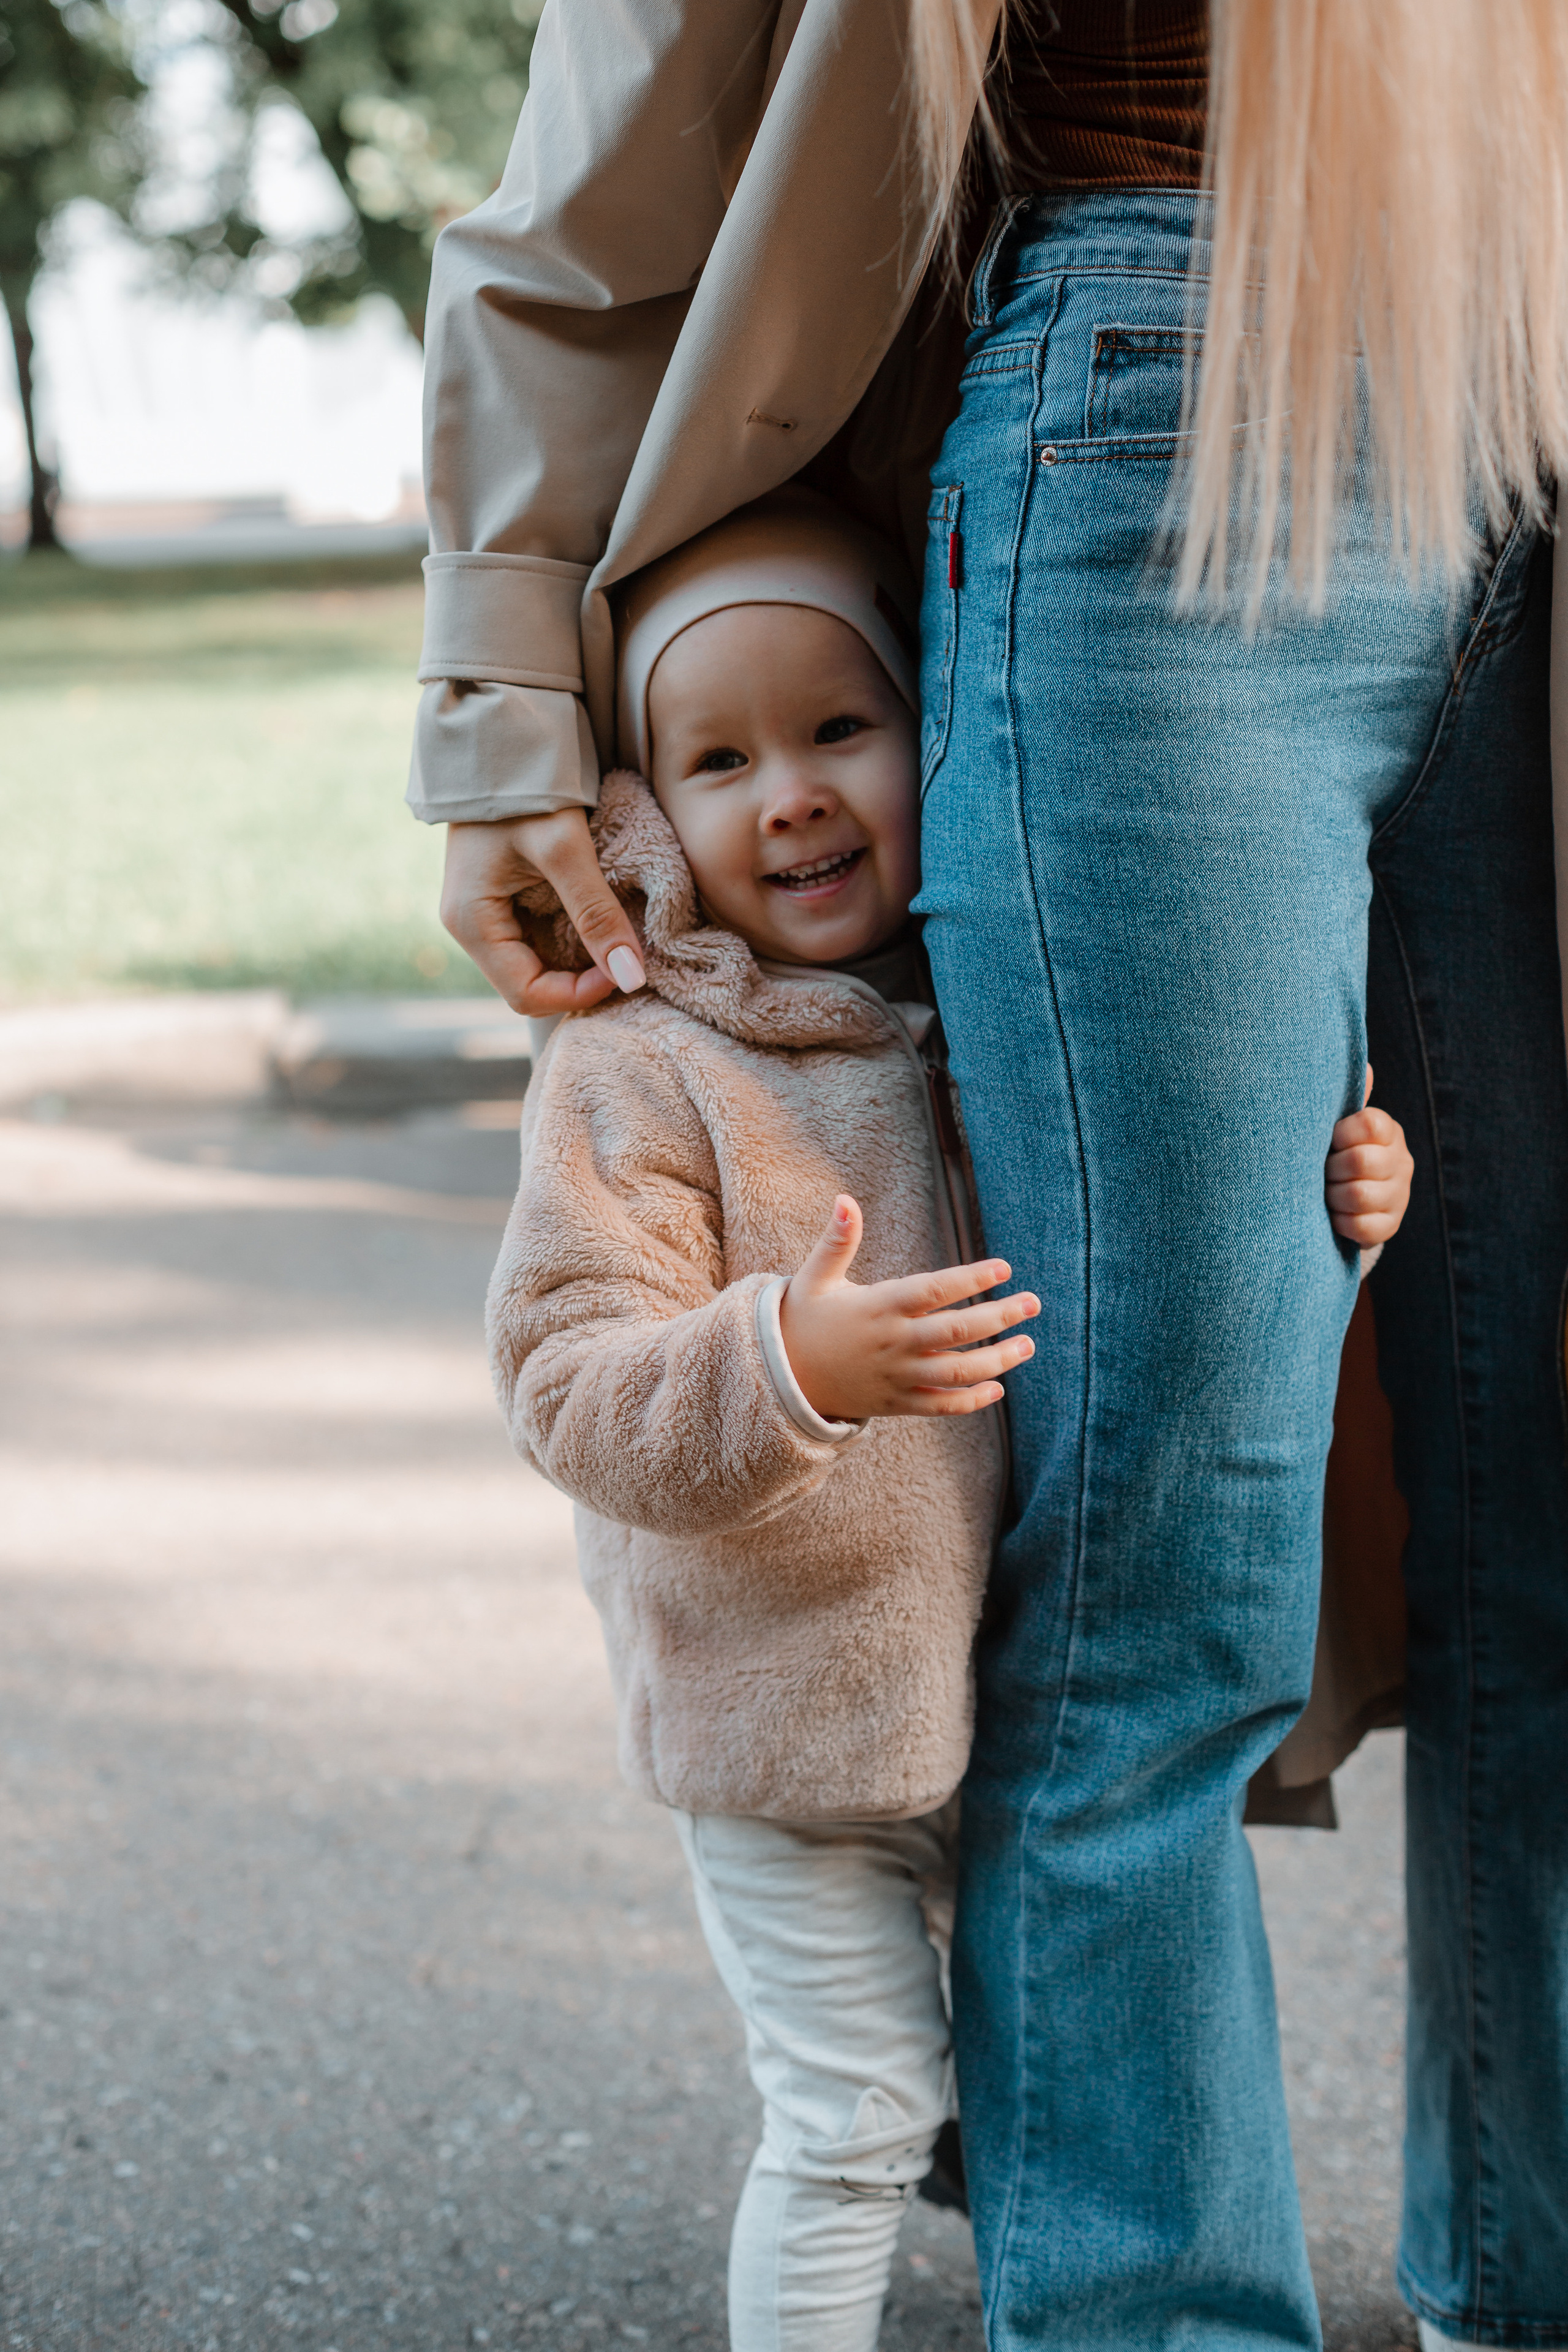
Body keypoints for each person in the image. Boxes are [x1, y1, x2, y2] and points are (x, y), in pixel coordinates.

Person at [409, 6, 1568, 2345]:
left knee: (1548, 1523)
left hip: (1528, 413)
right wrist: (502, 693)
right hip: (1161, 404)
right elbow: (619, 134)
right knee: (1170, 1562)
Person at [484, 490, 1415, 2352]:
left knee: (1022, 2110)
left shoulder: (1012, 999)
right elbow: (565, 1382)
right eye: (721, 757)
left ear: (945, 728)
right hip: (786, 1719)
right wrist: (783, 1361)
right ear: (650, 812)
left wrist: (1342, 1208)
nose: (793, 796)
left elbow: (1153, 1276)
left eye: (841, 727)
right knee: (848, 2122)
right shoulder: (641, 1064)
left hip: (1007, 1705)